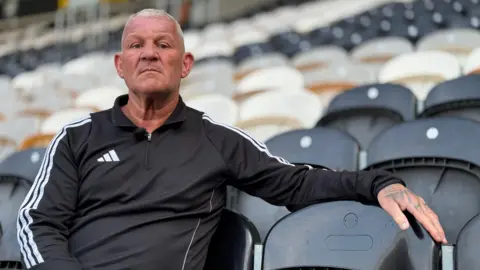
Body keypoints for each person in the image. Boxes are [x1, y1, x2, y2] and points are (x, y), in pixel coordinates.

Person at [16, 9, 447, 270]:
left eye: (162, 44)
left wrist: (378, 183)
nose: (149, 53)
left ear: (184, 64)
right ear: (120, 64)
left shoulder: (216, 140)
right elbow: (38, 222)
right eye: (136, 45)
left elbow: (295, 183)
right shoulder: (76, 138)